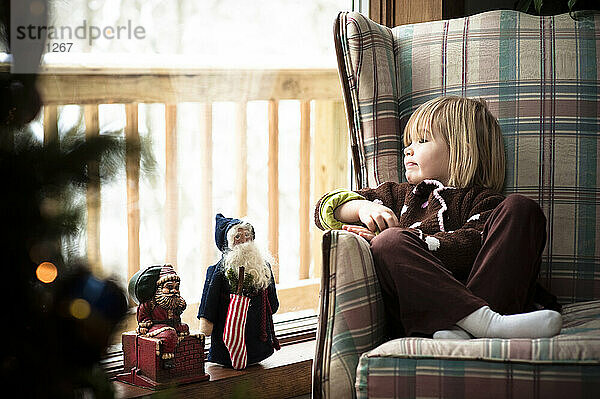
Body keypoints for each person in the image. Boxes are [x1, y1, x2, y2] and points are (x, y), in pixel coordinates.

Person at [314, 96, 562, 340]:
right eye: (408, 142)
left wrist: (413, 241)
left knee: (522, 208)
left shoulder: (485, 202)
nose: (407, 149)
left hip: (489, 298)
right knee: (389, 242)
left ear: (461, 149)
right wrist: (363, 209)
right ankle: (479, 325)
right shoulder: (397, 195)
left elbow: (471, 245)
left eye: (421, 140)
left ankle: (471, 327)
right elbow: (324, 209)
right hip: (420, 311)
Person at [198, 214, 280, 367]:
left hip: (258, 332)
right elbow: (209, 301)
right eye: (238, 237)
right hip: (227, 334)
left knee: (255, 347)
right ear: (228, 243)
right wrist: (206, 324)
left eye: (247, 235)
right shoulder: (218, 271)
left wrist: (271, 307)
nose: (244, 240)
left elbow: (272, 301)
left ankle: (255, 355)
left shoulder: (263, 267)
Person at [128, 264, 189, 368]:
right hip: (157, 327)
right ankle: (167, 359)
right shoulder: (151, 303)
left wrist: (180, 306)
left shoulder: (174, 301)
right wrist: (145, 324)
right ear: (159, 288)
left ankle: (182, 356)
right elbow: (143, 313)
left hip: (173, 325)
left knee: (184, 328)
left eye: (176, 288)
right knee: (169, 334)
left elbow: (177, 313)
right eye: (169, 287)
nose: (174, 291)